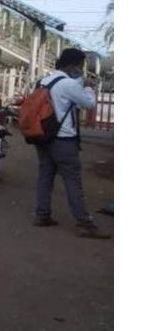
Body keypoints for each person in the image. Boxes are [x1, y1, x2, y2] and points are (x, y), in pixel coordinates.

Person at [32, 47, 109, 239]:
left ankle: (42, 215)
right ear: (73, 65)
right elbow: (88, 104)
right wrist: (89, 88)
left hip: (42, 137)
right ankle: (85, 223)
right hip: (64, 140)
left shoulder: (42, 81)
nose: (81, 69)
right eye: (81, 66)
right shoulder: (68, 84)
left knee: (45, 176)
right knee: (73, 181)